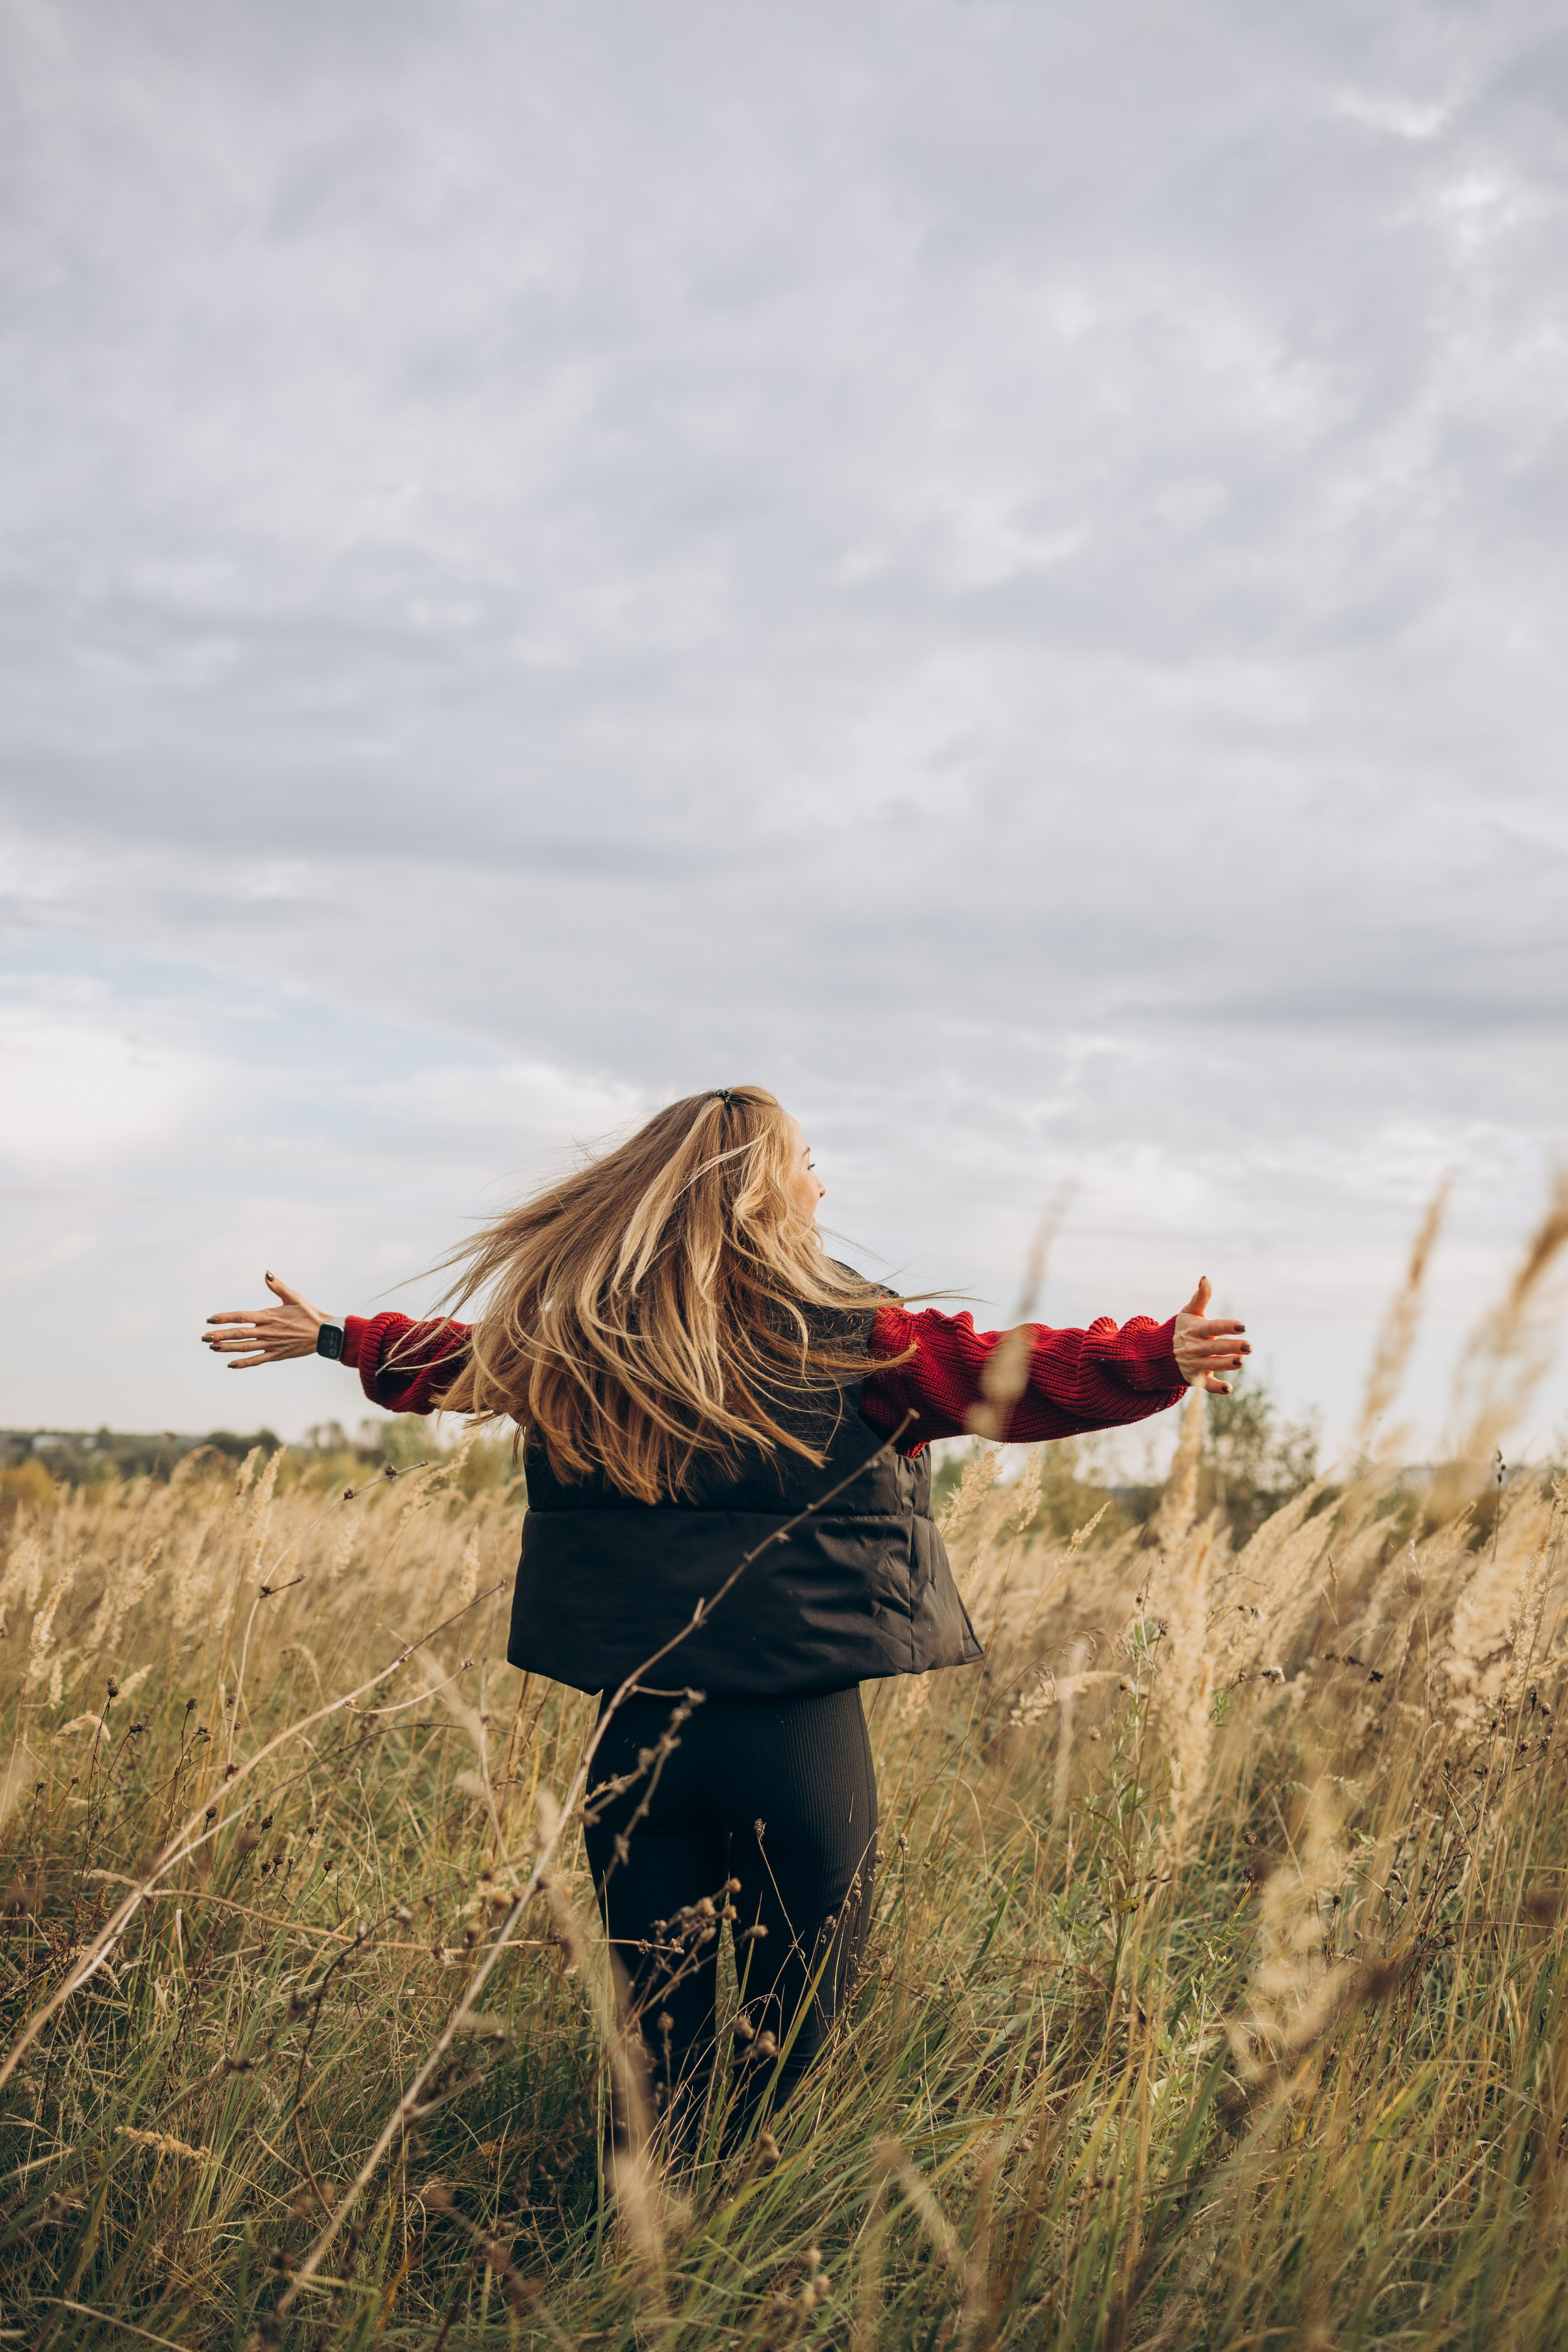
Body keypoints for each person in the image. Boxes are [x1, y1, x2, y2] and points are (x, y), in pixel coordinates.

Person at [202, 1085, 1246, 2147]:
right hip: (791, 1732)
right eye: (805, 1161)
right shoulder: (857, 1340)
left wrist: (335, 1337)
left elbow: (461, 1363)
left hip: (632, 1736)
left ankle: (632, 2254)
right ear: (755, 1192)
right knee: (791, 2047)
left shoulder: (584, 1341)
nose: (822, 1182)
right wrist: (1159, 1355)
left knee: (658, 2052)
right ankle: (742, 2251)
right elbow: (1009, 1377)